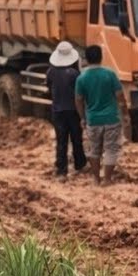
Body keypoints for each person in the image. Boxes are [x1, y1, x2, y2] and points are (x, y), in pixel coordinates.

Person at [75, 44, 130, 185]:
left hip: (93, 120)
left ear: (86, 58)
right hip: (111, 118)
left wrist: (82, 118)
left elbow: (79, 100)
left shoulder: (81, 78)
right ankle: (107, 179)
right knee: (111, 149)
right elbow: (120, 97)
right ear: (101, 57)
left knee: (94, 149)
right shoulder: (110, 74)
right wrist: (125, 114)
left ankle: (95, 179)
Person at [46, 41, 86, 180]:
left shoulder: (51, 72)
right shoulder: (75, 74)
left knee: (61, 140)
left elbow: (49, 88)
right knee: (76, 139)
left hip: (57, 110)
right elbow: (80, 93)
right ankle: (80, 164)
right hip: (73, 111)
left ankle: (61, 170)